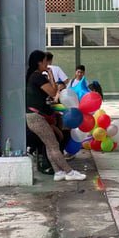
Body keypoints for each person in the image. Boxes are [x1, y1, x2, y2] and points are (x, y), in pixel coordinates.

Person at [25, 50, 86, 181]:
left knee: (49, 144)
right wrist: (51, 76)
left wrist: (51, 75)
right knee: (53, 145)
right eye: (45, 61)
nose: (48, 64)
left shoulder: (36, 76)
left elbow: (52, 91)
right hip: (37, 118)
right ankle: (69, 172)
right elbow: (53, 93)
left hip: (34, 117)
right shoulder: (37, 77)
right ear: (39, 62)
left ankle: (58, 172)